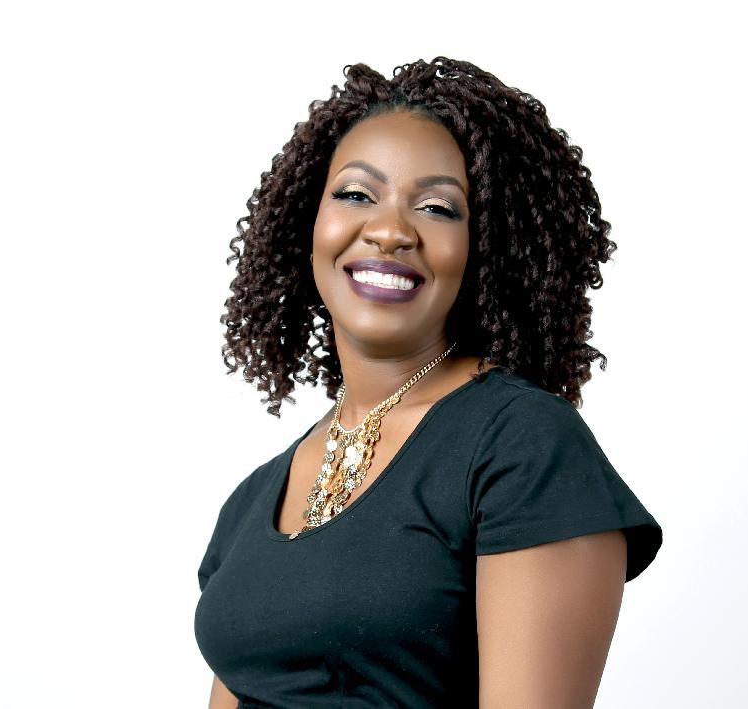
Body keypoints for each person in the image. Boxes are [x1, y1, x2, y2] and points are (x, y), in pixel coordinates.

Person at [194, 56, 663, 708]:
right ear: (307, 221)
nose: (390, 231)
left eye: (438, 207)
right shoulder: (249, 504)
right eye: (356, 194)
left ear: (486, 246)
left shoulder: (521, 447)